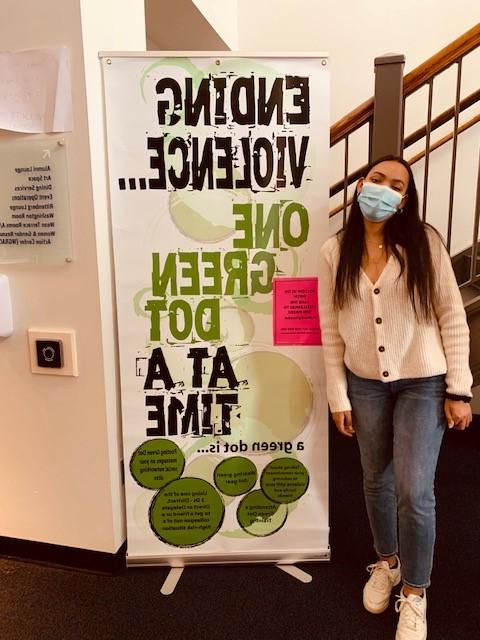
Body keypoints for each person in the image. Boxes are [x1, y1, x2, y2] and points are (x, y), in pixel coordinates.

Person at [318, 155, 473, 640]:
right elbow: (330, 331)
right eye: (377, 179)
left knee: (414, 490)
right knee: (374, 479)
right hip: (364, 383)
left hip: (423, 383)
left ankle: (415, 593)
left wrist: (460, 389)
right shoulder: (335, 250)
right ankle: (385, 562)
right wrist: (338, 396)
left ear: (405, 199)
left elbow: (452, 316)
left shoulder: (424, 242)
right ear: (362, 183)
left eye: (396, 185)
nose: (383, 189)